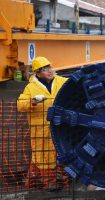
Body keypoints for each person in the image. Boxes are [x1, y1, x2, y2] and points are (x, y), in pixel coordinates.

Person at [17, 56, 68, 191]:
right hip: (40, 129)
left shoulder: (62, 81)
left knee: (57, 153)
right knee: (44, 156)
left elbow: (76, 85)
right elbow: (20, 105)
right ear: (38, 73)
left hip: (60, 126)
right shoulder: (31, 88)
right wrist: (33, 101)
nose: (49, 71)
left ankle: (32, 181)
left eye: (49, 67)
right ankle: (50, 183)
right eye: (44, 69)